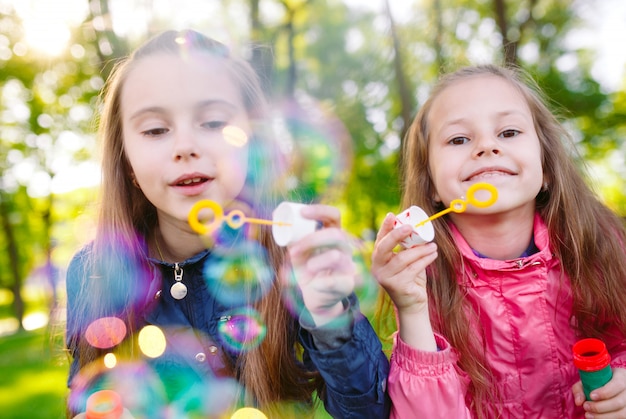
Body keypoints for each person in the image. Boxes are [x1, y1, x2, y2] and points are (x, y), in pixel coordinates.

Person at [65, 29, 389, 418]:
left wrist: (329, 309)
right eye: (155, 130)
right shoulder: (93, 271)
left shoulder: (294, 251)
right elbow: (92, 397)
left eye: (214, 122)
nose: (185, 146)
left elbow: (369, 411)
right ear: (127, 163)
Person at [371, 64, 626, 418]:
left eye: (508, 132)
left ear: (547, 167)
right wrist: (412, 309)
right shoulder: (424, 280)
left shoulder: (600, 246)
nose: (486, 146)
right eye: (459, 139)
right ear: (430, 184)